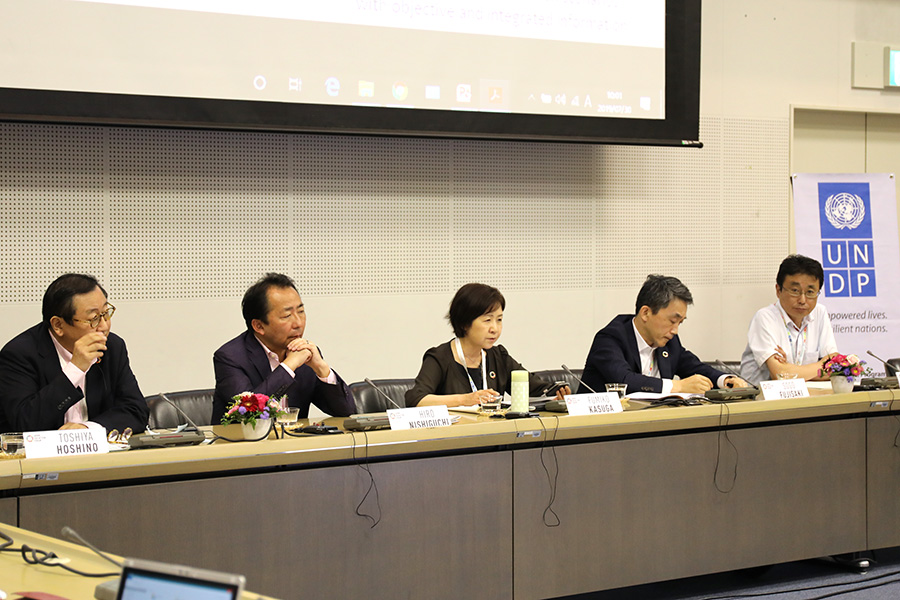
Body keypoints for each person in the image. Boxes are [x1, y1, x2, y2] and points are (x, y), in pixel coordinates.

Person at [0, 273, 148, 434]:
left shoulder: (112, 346)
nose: (104, 327)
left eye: (106, 314)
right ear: (58, 325)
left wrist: (87, 429)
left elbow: (136, 410)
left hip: (100, 455)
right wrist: (75, 369)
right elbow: (25, 424)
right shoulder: (19, 354)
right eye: (94, 318)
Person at [213, 273, 355, 422]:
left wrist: (321, 368)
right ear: (259, 325)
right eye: (287, 316)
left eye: (301, 312)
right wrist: (289, 366)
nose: (298, 323)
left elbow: (346, 410)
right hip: (244, 443)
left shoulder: (306, 353)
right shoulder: (230, 357)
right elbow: (249, 415)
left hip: (294, 444)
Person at [405, 283, 570, 407]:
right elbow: (416, 399)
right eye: (487, 320)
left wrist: (557, 392)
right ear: (464, 323)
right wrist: (466, 399)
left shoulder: (498, 356)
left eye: (499, 320)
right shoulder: (440, 357)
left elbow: (534, 388)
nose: (495, 329)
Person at [580, 275, 747, 395]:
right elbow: (625, 380)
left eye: (680, 323)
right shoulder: (610, 338)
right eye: (672, 321)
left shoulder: (669, 342)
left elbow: (694, 367)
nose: (675, 330)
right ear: (645, 313)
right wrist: (678, 386)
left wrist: (725, 380)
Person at [740, 254, 838, 385]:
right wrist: (821, 365)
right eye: (795, 291)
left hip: (807, 396)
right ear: (778, 290)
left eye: (810, 292)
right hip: (760, 400)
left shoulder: (819, 312)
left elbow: (836, 366)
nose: (802, 300)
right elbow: (780, 375)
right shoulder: (765, 318)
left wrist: (790, 369)